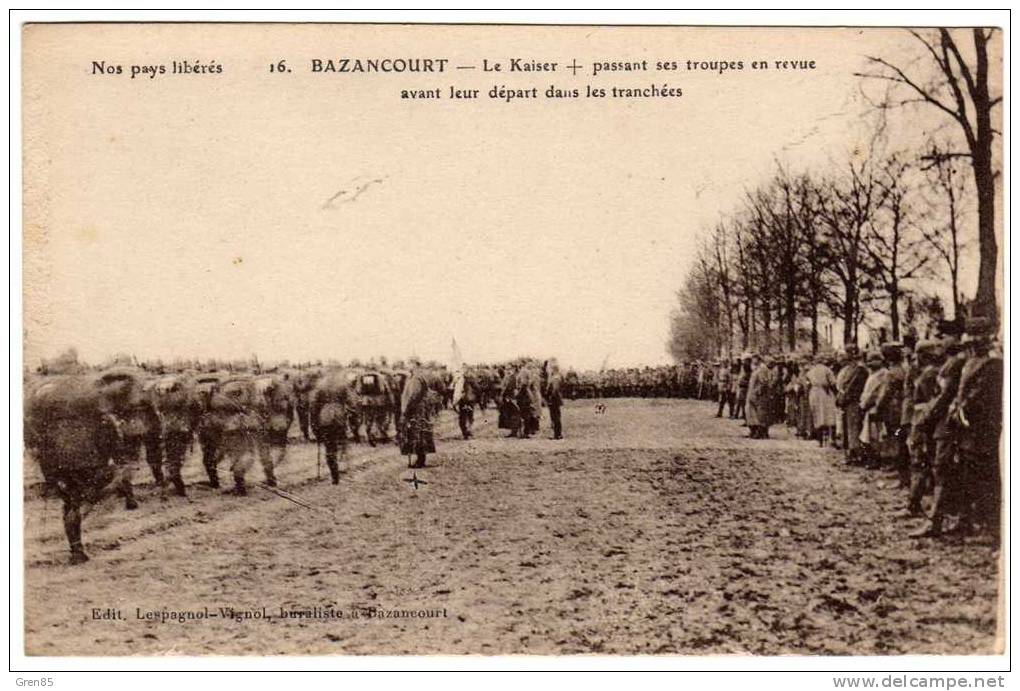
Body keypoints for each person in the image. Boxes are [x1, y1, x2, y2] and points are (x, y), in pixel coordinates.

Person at [909, 320, 968, 537]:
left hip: (949, 424)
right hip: (944, 422)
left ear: (956, 337)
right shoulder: (952, 362)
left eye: (943, 337)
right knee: (945, 469)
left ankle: (936, 522)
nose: (939, 342)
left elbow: (944, 396)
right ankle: (955, 519)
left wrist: (926, 417)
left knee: (943, 468)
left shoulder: (957, 363)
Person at [952, 317, 1003, 537]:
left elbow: (979, 396)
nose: (973, 344)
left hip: (983, 427)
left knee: (986, 476)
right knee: (966, 474)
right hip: (966, 427)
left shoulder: (993, 363)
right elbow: (962, 392)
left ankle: (991, 526)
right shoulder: (970, 363)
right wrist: (957, 407)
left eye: (977, 339)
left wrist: (962, 409)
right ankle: (966, 520)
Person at [399, 361, 442, 469]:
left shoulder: (416, 379)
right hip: (420, 409)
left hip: (416, 410)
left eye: (409, 364)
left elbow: (414, 395)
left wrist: (407, 409)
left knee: (418, 434)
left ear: (415, 365)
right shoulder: (418, 377)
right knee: (420, 433)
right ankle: (421, 459)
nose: (407, 366)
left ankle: (420, 460)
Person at [805, 356, 838, 447]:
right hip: (825, 392)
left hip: (814, 392)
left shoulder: (810, 371)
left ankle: (820, 441)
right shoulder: (827, 370)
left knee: (818, 416)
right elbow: (833, 383)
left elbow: (807, 384)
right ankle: (832, 439)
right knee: (830, 415)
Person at [745, 355, 774, 439]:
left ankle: (761, 432)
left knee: (760, 414)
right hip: (753, 393)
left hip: (759, 395)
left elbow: (763, 383)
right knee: (752, 413)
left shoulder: (762, 369)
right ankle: (754, 431)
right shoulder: (757, 368)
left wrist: (757, 392)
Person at [453, 365, 478, 440]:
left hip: (462, 400)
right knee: (470, 415)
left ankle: (465, 433)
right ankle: (469, 430)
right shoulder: (472, 379)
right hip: (470, 400)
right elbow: (478, 388)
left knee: (462, 416)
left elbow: (455, 389)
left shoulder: (458, 379)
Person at [544, 359, 564, 440]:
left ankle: (557, 434)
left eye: (550, 368)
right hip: (555, 399)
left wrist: (550, 397)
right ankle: (557, 434)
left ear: (554, 369)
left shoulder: (556, 377)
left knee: (555, 417)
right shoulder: (556, 376)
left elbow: (555, 389)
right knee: (555, 416)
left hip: (554, 399)